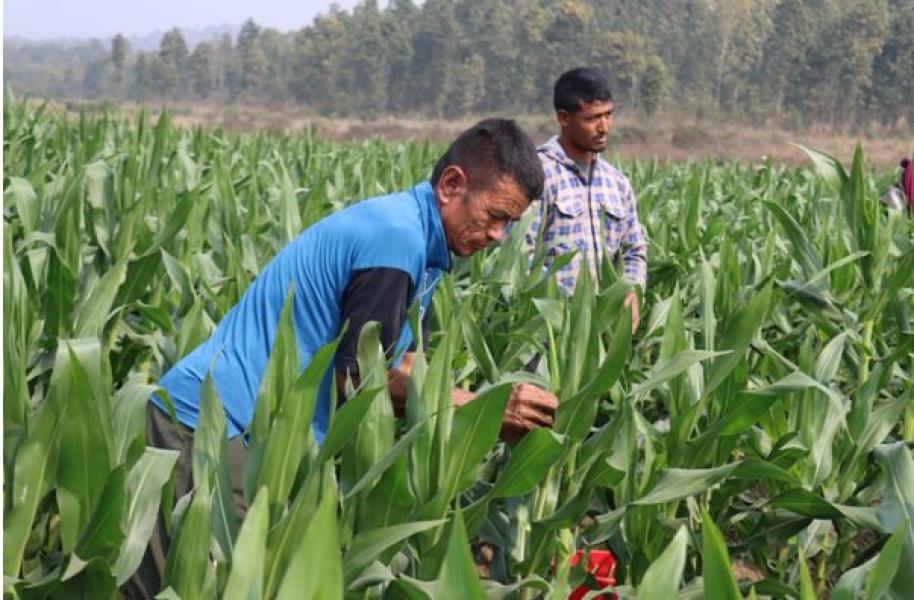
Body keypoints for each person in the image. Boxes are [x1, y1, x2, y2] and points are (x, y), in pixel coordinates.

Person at [127, 119, 558, 598]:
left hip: (257, 433)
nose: (498, 235)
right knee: (199, 588)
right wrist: (488, 410)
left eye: (509, 223)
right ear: (451, 185)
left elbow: (400, 363)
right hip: (212, 426)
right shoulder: (397, 241)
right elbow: (360, 383)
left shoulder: (422, 245)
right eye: (495, 215)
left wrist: (480, 408)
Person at [525, 67, 647, 331]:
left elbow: (634, 250)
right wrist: (551, 312)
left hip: (603, 330)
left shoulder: (616, 183)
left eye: (608, 115)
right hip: (550, 332)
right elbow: (520, 255)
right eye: (593, 118)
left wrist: (632, 289)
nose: (604, 127)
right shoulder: (539, 175)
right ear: (564, 118)